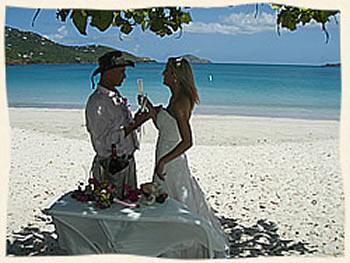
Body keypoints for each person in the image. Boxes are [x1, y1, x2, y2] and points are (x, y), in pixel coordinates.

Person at [142, 57, 229, 258]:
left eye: (166, 71)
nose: (162, 74)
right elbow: (165, 129)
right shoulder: (174, 98)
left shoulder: (181, 102)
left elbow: (188, 141)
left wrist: (163, 161)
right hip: (164, 156)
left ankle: (178, 247)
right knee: (167, 202)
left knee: (174, 202)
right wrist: (152, 110)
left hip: (171, 162)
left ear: (175, 76)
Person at [86, 51, 149, 189]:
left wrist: (137, 119)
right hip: (111, 167)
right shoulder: (98, 102)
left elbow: (119, 125)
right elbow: (103, 141)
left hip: (125, 162)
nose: (124, 76)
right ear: (109, 73)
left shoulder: (113, 97)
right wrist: (135, 124)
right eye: (121, 72)